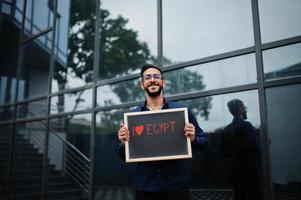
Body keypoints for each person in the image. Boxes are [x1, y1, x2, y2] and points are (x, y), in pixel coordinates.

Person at [118, 64, 208, 200]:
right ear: (142, 84)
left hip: (176, 186)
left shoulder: (181, 112)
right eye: (147, 77)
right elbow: (123, 155)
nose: (152, 80)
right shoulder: (132, 117)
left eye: (156, 76)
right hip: (146, 188)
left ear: (163, 82)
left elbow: (204, 142)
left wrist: (194, 138)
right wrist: (123, 143)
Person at [220, 99, 263, 200]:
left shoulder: (226, 130)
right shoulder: (246, 126)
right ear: (240, 109)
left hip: (235, 171)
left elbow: (223, 153)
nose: (245, 110)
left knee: (239, 196)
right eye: (244, 107)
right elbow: (256, 146)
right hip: (251, 170)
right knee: (255, 195)